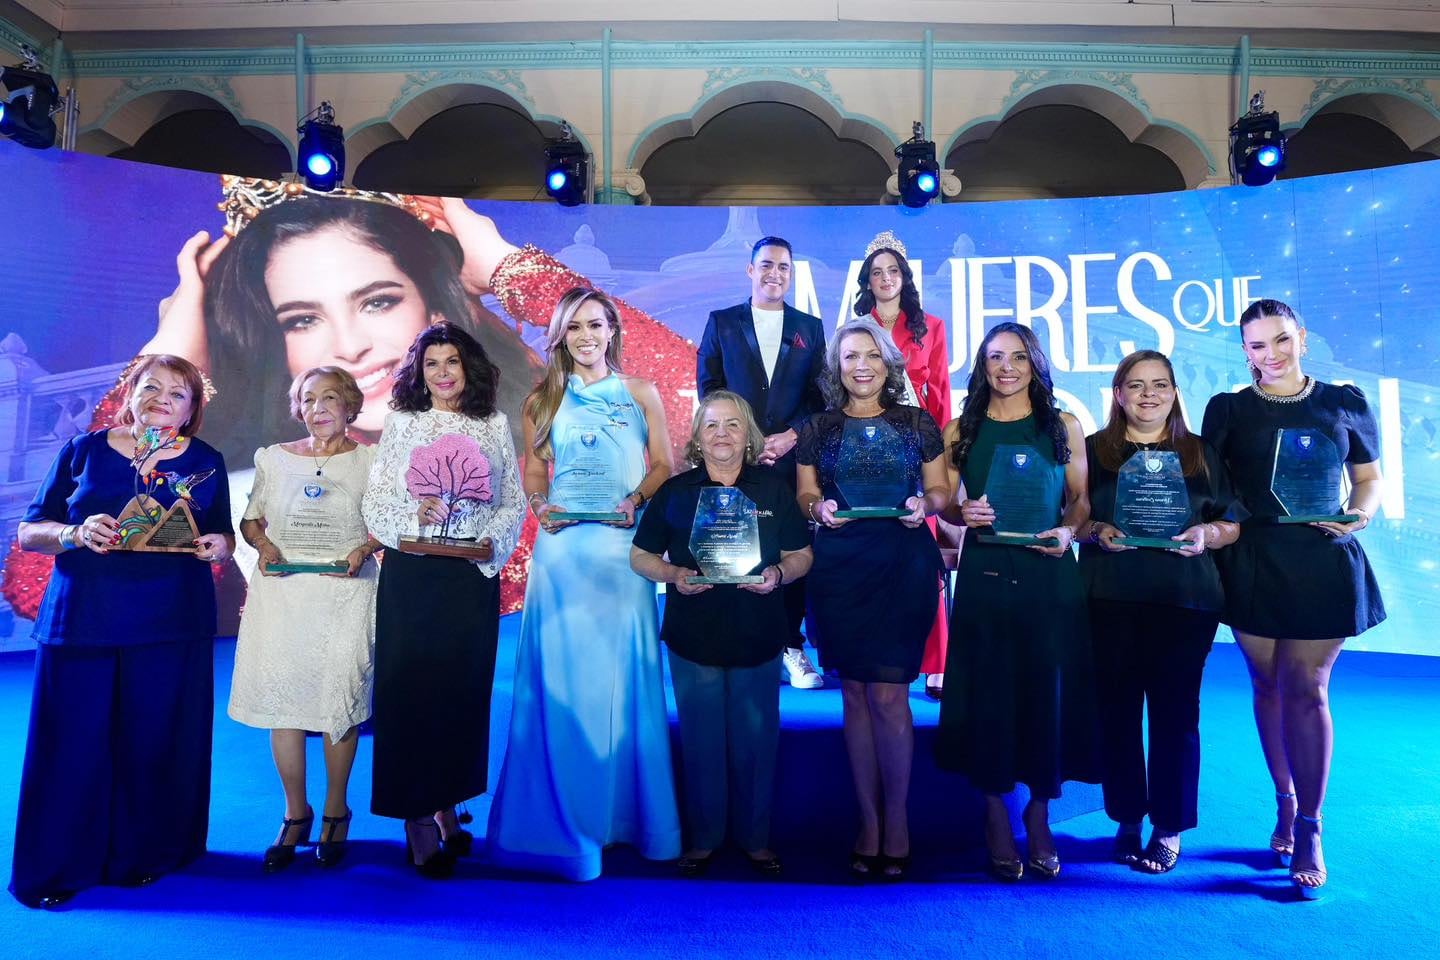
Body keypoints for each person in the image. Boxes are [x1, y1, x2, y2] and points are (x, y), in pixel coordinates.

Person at [9, 355, 233, 909]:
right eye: (151, 386)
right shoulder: (81, 450)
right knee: (71, 743)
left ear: (192, 410)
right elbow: (29, 530)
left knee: (151, 743)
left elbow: (222, 530)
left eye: (178, 393)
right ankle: (57, 865)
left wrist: (220, 545)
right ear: (130, 394)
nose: (162, 397)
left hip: (170, 620)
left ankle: (143, 853)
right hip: (83, 617)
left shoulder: (206, 460)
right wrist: (74, 531)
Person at [486, 288, 680, 880]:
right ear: (561, 336)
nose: (587, 336)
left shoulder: (640, 392)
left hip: (624, 551)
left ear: (613, 330)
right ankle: (565, 822)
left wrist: (637, 499)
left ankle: (630, 820)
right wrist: (540, 504)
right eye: (575, 328)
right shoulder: (543, 399)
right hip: (564, 551)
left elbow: (664, 465)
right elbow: (537, 470)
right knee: (565, 683)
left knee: (625, 678)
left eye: (596, 325)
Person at [1201, 299, 1385, 900]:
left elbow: (1368, 477)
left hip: (1321, 562)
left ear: (1301, 337)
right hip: (1253, 562)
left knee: (1307, 688)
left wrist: (1360, 513)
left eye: (1280, 340)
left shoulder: (1344, 402)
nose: (1270, 355)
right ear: (1245, 351)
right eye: (1256, 345)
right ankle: (1283, 802)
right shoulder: (1227, 410)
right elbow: (1218, 492)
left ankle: (1310, 825)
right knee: (1266, 685)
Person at [935, 321, 1097, 882]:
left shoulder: (1065, 426)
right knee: (990, 692)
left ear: (1036, 365)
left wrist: (1069, 531)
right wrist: (961, 515)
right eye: (996, 357)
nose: (1007, 367)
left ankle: (1038, 810)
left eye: (1019, 357)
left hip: (1049, 572)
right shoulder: (961, 429)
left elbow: (1080, 501)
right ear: (981, 365)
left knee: (1042, 690)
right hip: (984, 572)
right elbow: (948, 506)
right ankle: (993, 812)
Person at [360, 322, 525, 877]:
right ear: (419, 372)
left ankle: (448, 802)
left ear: (468, 366)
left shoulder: (493, 423)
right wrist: (414, 515)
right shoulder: (403, 423)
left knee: (460, 690)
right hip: (413, 575)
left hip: (469, 576)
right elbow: (378, 498)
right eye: (432, 364)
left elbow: (512, 501)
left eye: (452, 361)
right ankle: (417, 818)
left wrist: (487, 548)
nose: (443, 373)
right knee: (411, 691)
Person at [630, 390, 813, 878]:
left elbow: (802, 556)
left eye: (733, 425)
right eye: (711, 426)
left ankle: (755, 840)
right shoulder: (674, 492)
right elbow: (640, 555)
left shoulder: (774, 491)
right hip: (695, 635)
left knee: (757, 740)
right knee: (702, 741)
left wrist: (777, 574)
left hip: (759, 631)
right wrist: (672, 577)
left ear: (748, 435)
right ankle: (705, 839)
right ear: (697, 437)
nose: (722, 435)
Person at [795, 320, 949, 881]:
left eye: (871, 355)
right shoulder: (818, 427)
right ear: (836, 368)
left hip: (901, 564)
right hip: (839, 569)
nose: (861, 365)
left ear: (888, 363)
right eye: (849, 356)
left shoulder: (916, 422)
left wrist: (923, 504)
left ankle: (898, 820)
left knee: (888, 696)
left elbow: (941, 490)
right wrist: (818, 510)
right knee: (855, 697)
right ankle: (867, 821)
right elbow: (807, 493)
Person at [1079, 350, 1239, 874]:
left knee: (1175, 716)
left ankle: (1168, 826)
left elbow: (1231, 522)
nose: (1149, 394)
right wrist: (1097, 530)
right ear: (1118, 393)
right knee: (1116, 713)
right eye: (1137, 385)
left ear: (1174, 392)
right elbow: (1074, 519)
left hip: (1185, 601)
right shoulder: (1093, 452)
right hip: (1110, 598)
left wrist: (1206, 534)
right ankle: (1126, 818)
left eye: (1161, 385)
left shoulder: (1200, 453)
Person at [227, 366, 382, 871]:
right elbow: (251, 521)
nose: (319, 407)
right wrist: (265, 544)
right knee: (285, 704)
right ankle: (296, 812)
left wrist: (364, 548)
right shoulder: (272, 459)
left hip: (346, 592)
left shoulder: (372, 461)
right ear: (298, 408)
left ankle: (337, 810)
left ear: (350, 406)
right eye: (309, 398)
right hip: (284, 593)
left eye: (331, 398)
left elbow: (386, 524)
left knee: (341, 697)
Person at [697, 236, 827, 689]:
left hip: (793, 461)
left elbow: (819, 397)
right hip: (736, 459)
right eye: (767, 266)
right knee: (734, 548)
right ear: (750, 270)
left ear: (792, 274)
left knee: (790, 550)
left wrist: (790, 437)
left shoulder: (809, 328)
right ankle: (741, 643)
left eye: (784, 268)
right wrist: (746, 439)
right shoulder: (723, 322)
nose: (775, 274)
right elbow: (709, 388)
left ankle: (793, 648)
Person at [853, 231, 954, 699]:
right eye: (877, 272)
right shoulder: (857, 328)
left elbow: (942, 400)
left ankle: (937, 660)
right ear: (867, 282)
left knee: (922, 556)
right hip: (868, 451)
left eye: (893, 271)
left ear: (904, 278)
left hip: (916, 452)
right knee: (874, 552)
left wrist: (941, 456)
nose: (885, 278)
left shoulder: (930, 326)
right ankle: (877, 651)